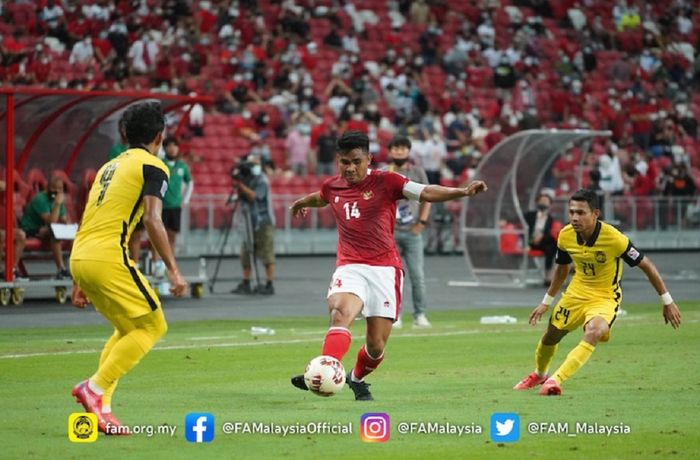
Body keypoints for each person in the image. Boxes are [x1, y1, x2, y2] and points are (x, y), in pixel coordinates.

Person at [289, 131, 487, 400]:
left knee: (376, 346)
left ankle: (356, 378)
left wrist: (462, 191)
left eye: (356, 161)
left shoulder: (387, 181)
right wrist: (301, 202)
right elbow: (320, 197)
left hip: (385, 269)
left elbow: (426, 191)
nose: (349, 168)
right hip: (350, 266)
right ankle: (326, 368)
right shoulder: (332, 186)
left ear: (369, 159)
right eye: (344, 162)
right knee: (340, 312)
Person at [69, 102, 187, 433]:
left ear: (126, 134)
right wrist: (174, 270)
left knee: (126, 329)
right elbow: (152, 219)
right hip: (108, 256)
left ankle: (102, 407)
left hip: (82, 255)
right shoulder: (154, 166)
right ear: (160, 135)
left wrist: (81, 279)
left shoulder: (110, 166)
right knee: (153, 326)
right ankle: (92, 389)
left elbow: (92, 215)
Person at [514, 189, 681, 396]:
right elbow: (562, 270)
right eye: (572, 212)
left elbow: (646, 265)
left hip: (605, 297)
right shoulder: (565, 235)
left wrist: (667, 301)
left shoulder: (614, 239)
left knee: (594, 331)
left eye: (581, 213)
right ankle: (540, 374)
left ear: (595, 214)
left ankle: (555, 381)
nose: (575, 217)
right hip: (575, 293)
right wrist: (546, 302)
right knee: (551, 336)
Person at [383, 136, 432, 328]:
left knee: (417, 275)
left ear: (408, 151)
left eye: (402, 148)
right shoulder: (384, 172)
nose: (399, 151)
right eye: (395, 148)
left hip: (413, 230)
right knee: (391, 276)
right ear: (390, 151)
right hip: (390, 232)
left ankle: (420, 315)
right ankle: (394, 315)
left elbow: (428, 197)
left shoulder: (417, 172)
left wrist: (422, 221)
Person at [231, 154, 277, 295]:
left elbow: (254, 196)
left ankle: (269, 284)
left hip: (263, 222)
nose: (252, 167)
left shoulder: (262, 180)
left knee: (266, 253)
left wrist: (241, 186)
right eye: (251, 163)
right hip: (248, 222)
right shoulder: (247, 178)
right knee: (246, 252)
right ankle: (246, 282)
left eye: (255, 163)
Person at [151, 137, 193, 277]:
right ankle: (156, 264)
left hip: (175, 206)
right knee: (157, 235)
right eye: (169, 146)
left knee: (172, 237)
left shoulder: (182, 166)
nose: (172, 148)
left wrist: (185, 200)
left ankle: (170, 265)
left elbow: (190, 183)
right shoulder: (160, 164)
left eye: (175, 146)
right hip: (161, 206)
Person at [19, 176, 70, 278]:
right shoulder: (40, 199)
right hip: (30, 229)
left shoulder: (59, 200)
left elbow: (64, 219)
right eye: (54, 188)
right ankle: (61, 268)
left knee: (73, 234)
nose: (56, 191)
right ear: (47, 188)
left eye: (60, 189)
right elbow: (52, 221)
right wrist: (57, 204)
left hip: (46, 229)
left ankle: (73, 267)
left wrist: (67, 225)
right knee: (54, 231)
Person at [524, 192, 559, 286]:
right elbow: (522, 226)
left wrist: (542, 236)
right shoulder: (529, 215)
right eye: (542, 201)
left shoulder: (550, 218)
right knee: (552, 246)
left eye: (546, 202)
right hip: (529, 241)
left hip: (543, 242)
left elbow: (548, 233)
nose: (543, 203)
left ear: (549, 204)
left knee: (552, 246)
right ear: (537, 202)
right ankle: (549, 276)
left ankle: (549, 276)